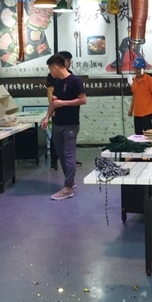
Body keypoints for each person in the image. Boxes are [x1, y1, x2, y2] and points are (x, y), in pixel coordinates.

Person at [41, 53, 86, 201]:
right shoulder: (58, 82)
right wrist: (47, 117)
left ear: (55, 67)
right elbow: (54, 103)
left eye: (50, 68)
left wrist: (63, 103)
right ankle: (70, 181)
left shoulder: (75, 81)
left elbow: (83, 100)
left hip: (71, 124)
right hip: (58, 124)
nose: (50, 72)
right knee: (60, 154)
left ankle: (67, 188)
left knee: (68, 155)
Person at [128, 57, 152, 135]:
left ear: (143, 69)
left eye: (139, 69)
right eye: (136, 69)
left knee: (148, 134)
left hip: (147, 112)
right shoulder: (134, 81)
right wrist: (131, 109)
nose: (137, 71)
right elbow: (134, 96)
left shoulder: (149, 80)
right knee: (138, 134)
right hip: (137, 113)